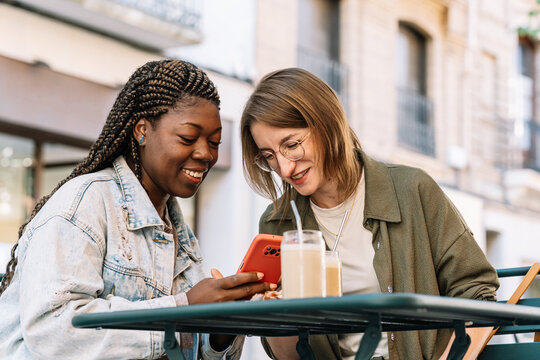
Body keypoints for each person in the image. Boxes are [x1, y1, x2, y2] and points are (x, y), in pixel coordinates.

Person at [0, 59, 276, 360]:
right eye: (187, 138)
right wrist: (182, 308)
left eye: (214, 142)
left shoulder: (179, 234)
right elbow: (53, 330)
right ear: (142, 130)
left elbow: (182, 348)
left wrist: (220, 329)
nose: (205, 154)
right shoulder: (84, 204)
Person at [240, 68, 499, 360]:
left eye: (291, 145)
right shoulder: (277, 223)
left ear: (327, 124)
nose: (285, 169)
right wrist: (270, 312)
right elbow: (291, 355)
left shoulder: (411, 190)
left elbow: (477, 292)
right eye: (269, 156)